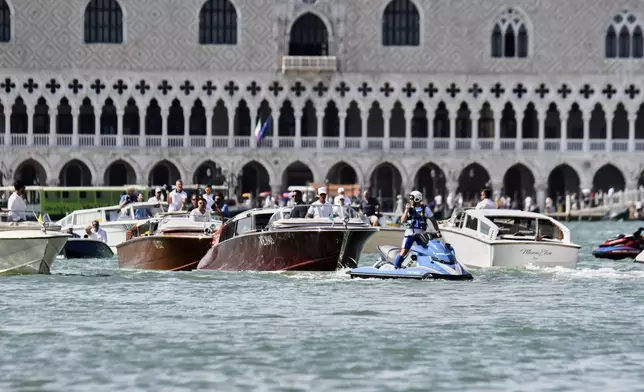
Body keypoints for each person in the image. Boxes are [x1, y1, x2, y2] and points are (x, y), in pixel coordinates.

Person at [393, 191, 442, 269]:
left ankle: (427, 267)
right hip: (410, 233)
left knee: (425, 251)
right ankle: (396, 267)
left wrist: (437, 231)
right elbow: (402, 221)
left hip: (421, 234)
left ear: (417, 199)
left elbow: (433, 221)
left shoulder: (425, 209)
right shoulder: (409, 209)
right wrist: (406, 210)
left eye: (411, 199)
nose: (410, 200)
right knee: (404, 251)